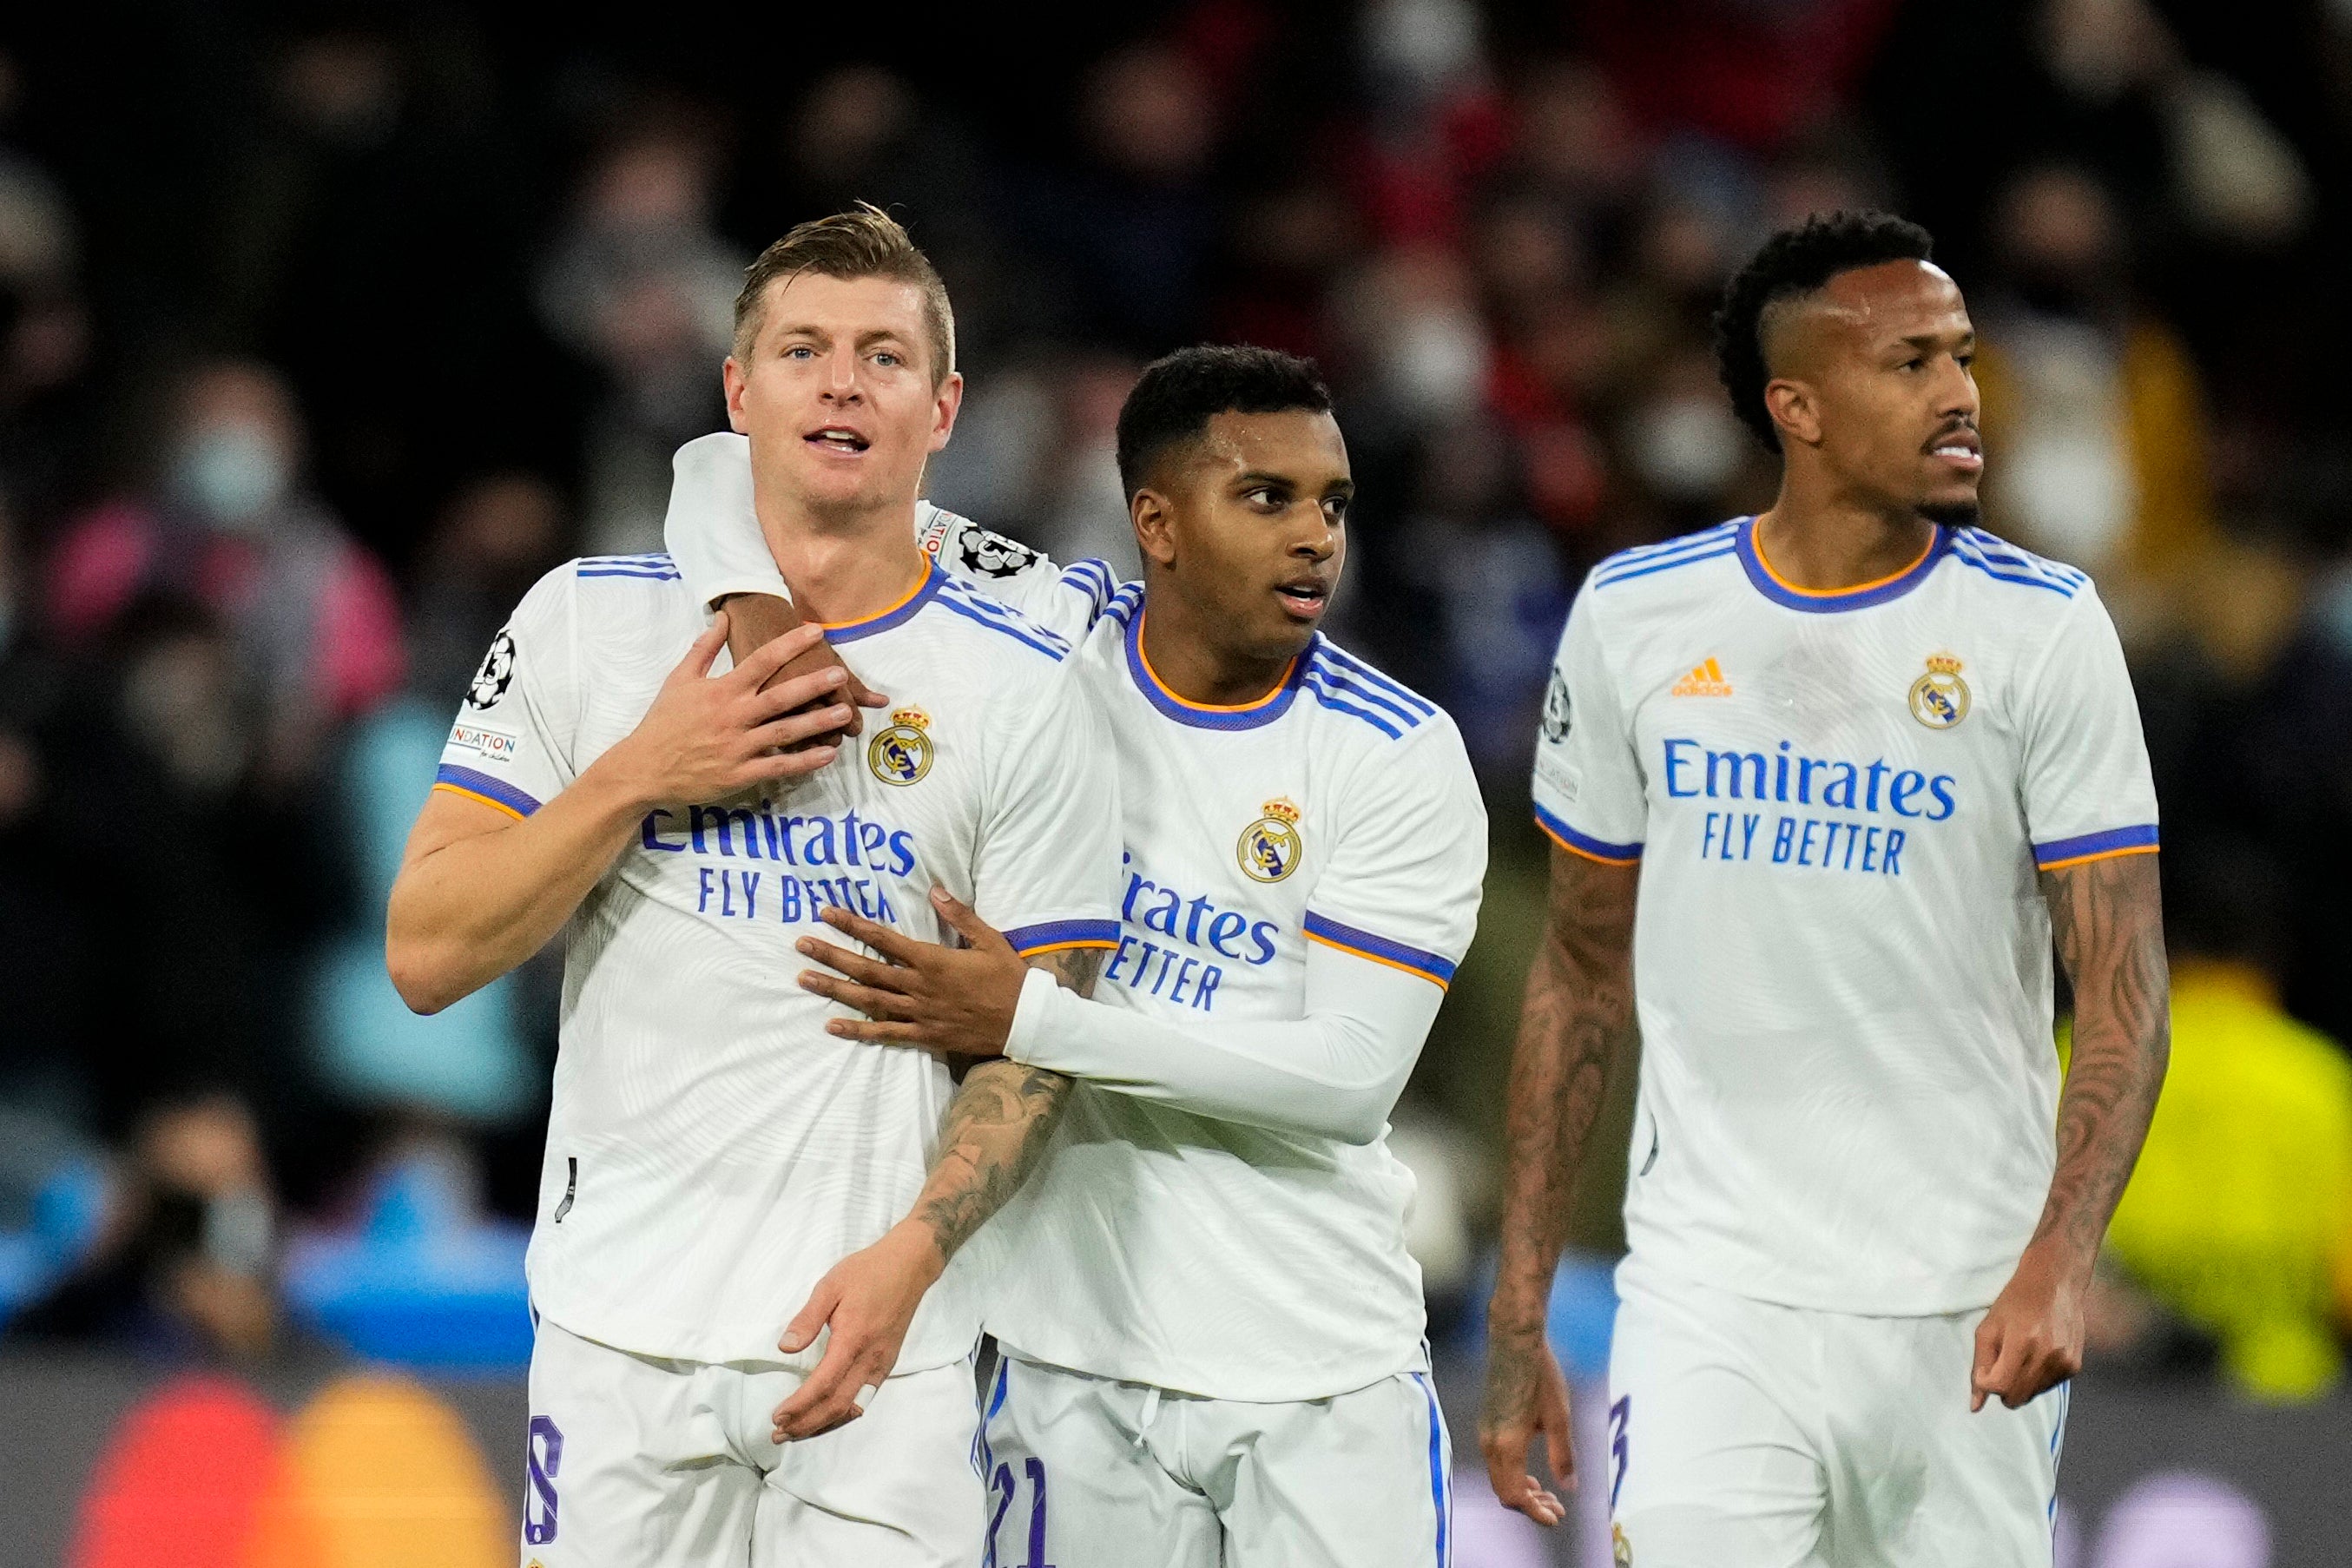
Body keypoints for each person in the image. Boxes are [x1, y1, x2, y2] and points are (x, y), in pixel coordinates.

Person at [665, 344, 1486, 1567]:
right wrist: (759, 608)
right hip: (1066, 1367)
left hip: (1318, 1372)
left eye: (1332, 504)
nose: (1315, 535)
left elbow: (1346, 1080)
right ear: (1155, 520)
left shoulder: (1393, 751)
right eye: (1266, 496)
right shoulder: (1039, 630)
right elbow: (721, 469)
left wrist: (1032, 1017)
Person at [385, 208, 1121, 1568]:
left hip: (882, 1344)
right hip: (617, 1335)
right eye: (801, 349)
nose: (841, 381)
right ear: (738, 392)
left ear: (944, 406)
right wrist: (634, 775)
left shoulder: (1030, 675)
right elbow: (426, 952)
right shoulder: (582, 623)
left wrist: (914, 1255)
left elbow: (1044, 1040)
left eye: (884, 357)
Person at [1478, 211, 2170, 1566]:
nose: (1961, 392)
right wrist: (1519, 1305)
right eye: (1910, 363)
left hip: (1965, 1300)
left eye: (1961, 356)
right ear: (1794, 404)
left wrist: (2059, 1260)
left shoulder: (2042, 630)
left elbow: (2125, 986)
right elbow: (1575, 971)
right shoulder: (1638, 617)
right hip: (1710, 1293)